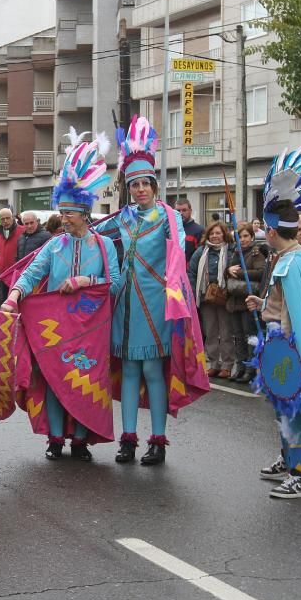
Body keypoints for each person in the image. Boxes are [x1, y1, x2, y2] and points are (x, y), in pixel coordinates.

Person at [96, 115, 209, 465]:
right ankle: (128, 439)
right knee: (129, 370)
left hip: (159, 305)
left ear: (154, 185)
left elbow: (178, 256)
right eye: (134, 185)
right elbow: (92, 235)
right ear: (128, 188)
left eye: (145, 183)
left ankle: (157, 439)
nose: (140, 189)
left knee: (150, 371)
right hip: (126, 305)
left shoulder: (169, 216)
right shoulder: (123, 217)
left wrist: (177, 297)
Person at [2, 132, 119, 460]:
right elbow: (31, 274)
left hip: (92, 331)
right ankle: (55, 439)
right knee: (54, 380)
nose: (63, 218)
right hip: (56, 328)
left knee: (87, 380)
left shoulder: (104, 246)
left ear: (84, 213)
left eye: (69, 213)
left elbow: (116, 282)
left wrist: (84, 280)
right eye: (62, 212)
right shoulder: (54, 246)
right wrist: (13, 296)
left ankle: (81, 440)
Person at [244, 146, 301, 498]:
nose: (264, 233)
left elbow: (296, 313)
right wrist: (262, 302)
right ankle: (287, 458)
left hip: (290, 347)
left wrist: (290, 351)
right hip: (282, 341)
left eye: (265, 228)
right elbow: (284, 303)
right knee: (284, 407)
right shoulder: (290, 258)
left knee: (296, 411)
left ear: (273, 230)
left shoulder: (294, 263)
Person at [188, 221, 234, 378]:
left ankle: (227, 365)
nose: (215, 236)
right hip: (205, 298)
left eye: (218, 233)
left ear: (224, 234)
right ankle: (214, 363)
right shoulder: (201, 252)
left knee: (226, 332)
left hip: (225, 298)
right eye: (212, 233)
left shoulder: (231, 251)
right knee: (211, 331)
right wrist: (194, 295)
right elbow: (192, 273)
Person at [224, 223, 266, 383]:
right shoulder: (235, 252)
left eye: (246, 236)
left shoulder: (256, 253)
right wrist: (228, 270)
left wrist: (239, 273)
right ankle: (240, 367)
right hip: (235, 300)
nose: (243, 240)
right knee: (239, 337)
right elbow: (227, 270)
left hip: (248, 301)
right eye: (240, 237)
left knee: (250, 336)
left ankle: (250, 369)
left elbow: (260, 272)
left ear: (252, 236)